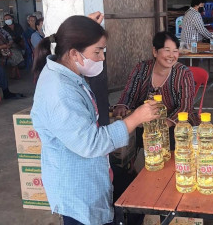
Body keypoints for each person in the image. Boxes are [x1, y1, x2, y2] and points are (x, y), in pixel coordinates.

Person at [31, 14, 159, 225]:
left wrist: (84, 27)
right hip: (78, 186)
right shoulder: (59, 92)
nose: (102, 58)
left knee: (136, 192)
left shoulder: (64, 69)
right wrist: (135, 119)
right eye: (97, 51)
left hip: (93, 169)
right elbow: (91, 143)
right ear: (74, 53)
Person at [113, 31, 200, 149]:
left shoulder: (183, 73)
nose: (171, 55)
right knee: (125, 137)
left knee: (172, 140)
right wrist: (122, 105)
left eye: (175, 51)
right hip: (145, 121)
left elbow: (185, 107)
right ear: (155, 51)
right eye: (167, 50)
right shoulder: (142, 68)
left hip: (176, 123)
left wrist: (165, 124)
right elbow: (130, 93)